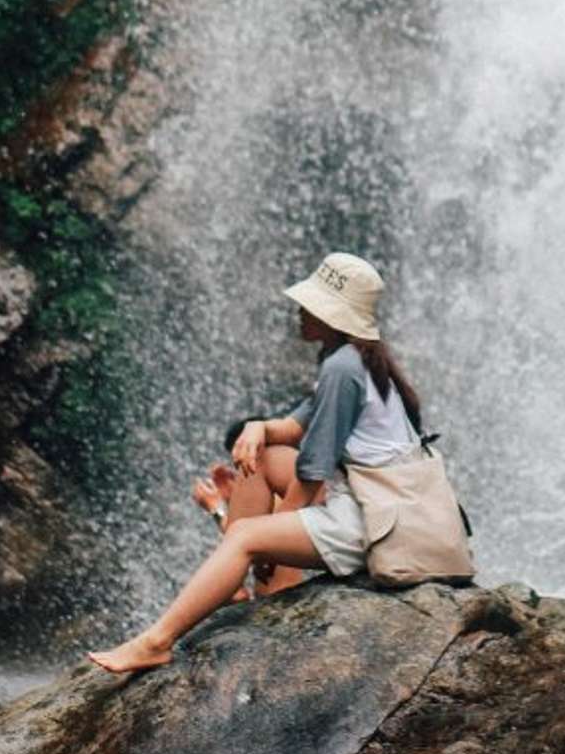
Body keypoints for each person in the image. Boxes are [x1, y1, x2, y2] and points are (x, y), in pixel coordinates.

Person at [88, 250, 423, 674]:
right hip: (377, 506)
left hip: (378, 522)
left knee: (245, 536)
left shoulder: (343, 368)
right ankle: (233, 591)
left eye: (311, 305)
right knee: (261, 459)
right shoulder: (354, 360)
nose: (299, 312)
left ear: (332, 315)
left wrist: (264, 538)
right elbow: (295, 425)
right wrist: (260, 428)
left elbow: (312, 470)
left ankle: (157, 641)